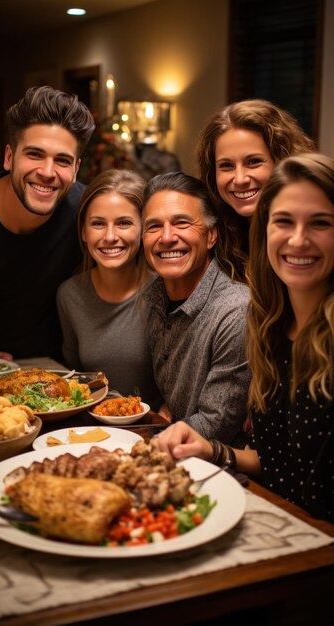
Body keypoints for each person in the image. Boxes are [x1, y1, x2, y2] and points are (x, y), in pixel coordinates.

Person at [155, 153, 334, 523]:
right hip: (276, 517)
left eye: (320, 223)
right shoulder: (271, 329)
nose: (298, 240)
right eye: (283, 221)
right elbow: (278, 462)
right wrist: (213, 450)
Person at [0, 85, 95, 364]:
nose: (47, 172)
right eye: (34, 154)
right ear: (9, 157)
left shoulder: (89, 215)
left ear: (76, 170)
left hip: (55, 377)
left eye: (62, 160)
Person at [141, 171, 250, 446]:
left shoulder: (234, 310)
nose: (166, 237)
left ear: (211, 235)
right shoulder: (152, 297)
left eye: (181, 223)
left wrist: (145, 442)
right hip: (171, 446)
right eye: (153, 227)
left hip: (219, 471)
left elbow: (217, 423)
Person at [57, 169, 161, 408]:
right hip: (94, 426)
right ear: (83, 232)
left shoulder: (165, 290)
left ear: (144, 229)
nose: (110, 236)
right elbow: (77, 379)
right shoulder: (69, 295)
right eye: (98, 224)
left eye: (124, 223)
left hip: (157, 428)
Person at [197, 98, 316, 282]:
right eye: (226, 165)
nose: (240, 179)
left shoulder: (311, 235)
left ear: (281, 161)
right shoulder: (215, 236)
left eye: (253, 162)